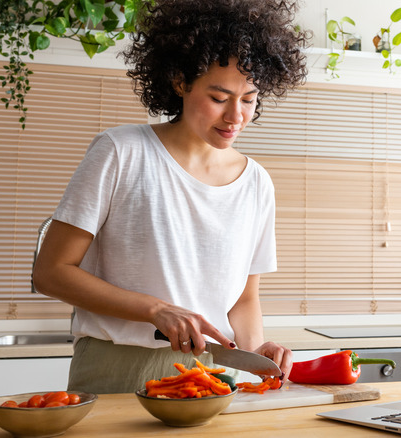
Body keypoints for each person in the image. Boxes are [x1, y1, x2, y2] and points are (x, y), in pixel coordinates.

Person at [32, 0, 308, 394]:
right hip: (116, 370)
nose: (236, 117)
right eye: (218, 97)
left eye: (248, 99)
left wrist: (254, 351)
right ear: (180, 81)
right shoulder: (120, 151)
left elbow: (243, 299)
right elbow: (51, 271)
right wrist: (156, 310)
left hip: (213, 378)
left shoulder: (256, 183)